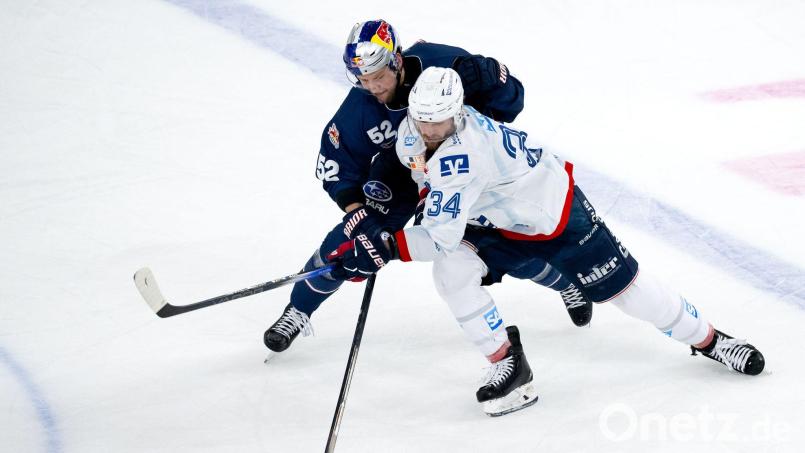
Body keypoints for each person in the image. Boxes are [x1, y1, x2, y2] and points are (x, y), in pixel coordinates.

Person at [331, 67, 765, 416]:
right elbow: (425, 186)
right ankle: (508, 365)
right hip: (494, 219)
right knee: (453, 273)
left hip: (555, 216)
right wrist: (376, 225)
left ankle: (709, 339)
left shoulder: (465, 156)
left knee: (630, 296)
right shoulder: (416, 129)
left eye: (438, 121)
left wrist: (385, 247)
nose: (428, 130)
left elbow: (440, 235)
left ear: (459, 112)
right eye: (422, 119)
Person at [264, 20, 593, 354]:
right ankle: (298, 309)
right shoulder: (361, 107)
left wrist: (493, 78)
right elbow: (338, 169)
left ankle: (566, 282)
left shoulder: (441, 65)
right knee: (349, 243)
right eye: (363, 80)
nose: (373, 88)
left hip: (465, 169)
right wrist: (359, 218)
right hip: (404, 169)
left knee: (501, 246)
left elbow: (511, 106)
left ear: (397, 60)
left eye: (378, 77)